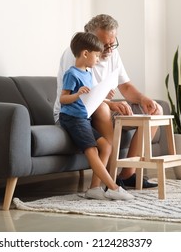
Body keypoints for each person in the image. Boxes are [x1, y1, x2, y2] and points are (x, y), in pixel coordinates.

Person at [54, 14, 163, 189]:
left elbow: (125, 87)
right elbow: (79, 97)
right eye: (105, 45)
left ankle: (127, 175)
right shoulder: (75, 55)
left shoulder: (113, 53)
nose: (110, 49)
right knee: (103, 109)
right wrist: (110, 103)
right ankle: (111, 178)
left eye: (113, 43)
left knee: (156, 111)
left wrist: (143, 99)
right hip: (77, 110)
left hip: (101, 104)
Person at [59, 32, 134, 200]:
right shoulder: (72, 74)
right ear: (85, 53)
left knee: (106, 146)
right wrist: (77, 94)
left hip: (83, 117)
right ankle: (113, 187)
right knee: (92, 149)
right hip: (72, 119)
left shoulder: (87, 73)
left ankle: (94, 188)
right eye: (97, 56)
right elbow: (63, 99)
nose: (99, 60)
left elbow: (90, 95)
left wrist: (105, 94)